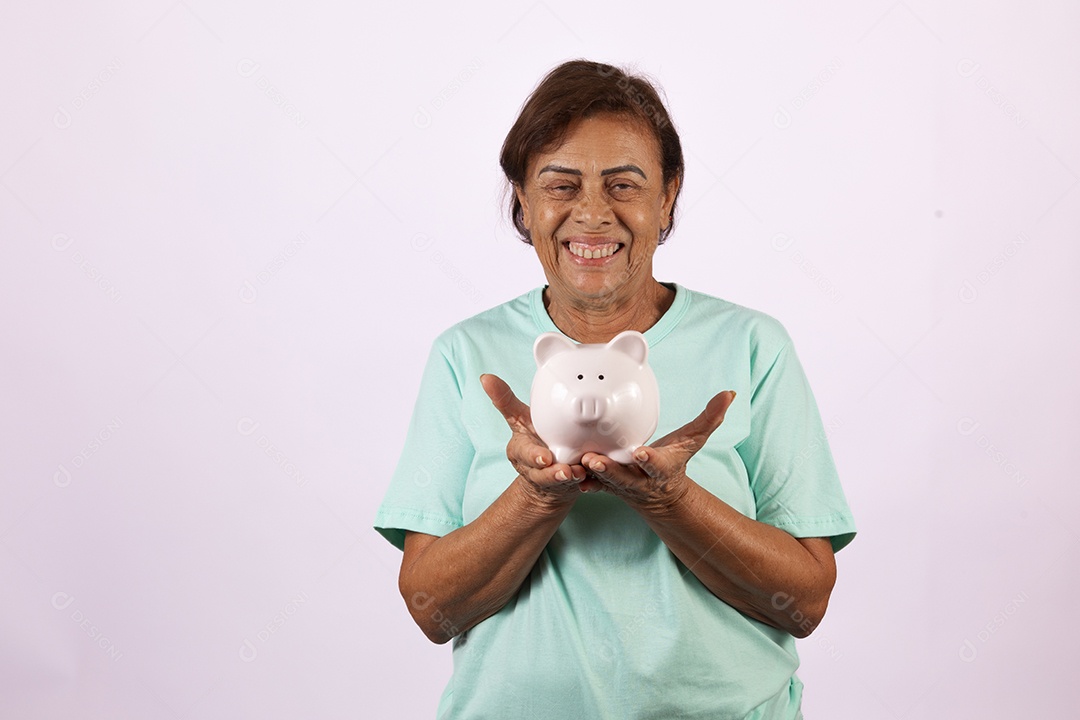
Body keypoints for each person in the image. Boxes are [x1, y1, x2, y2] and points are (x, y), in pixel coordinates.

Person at [374, 59, 856, 719]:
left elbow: (804, 602)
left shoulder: (750, 347)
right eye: (561, 184)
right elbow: (432, 609)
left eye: (624, 184)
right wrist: (537, 497)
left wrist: (669, 498)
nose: (592, 214)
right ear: (522, 198)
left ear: (667, 198)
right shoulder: (467, 355)